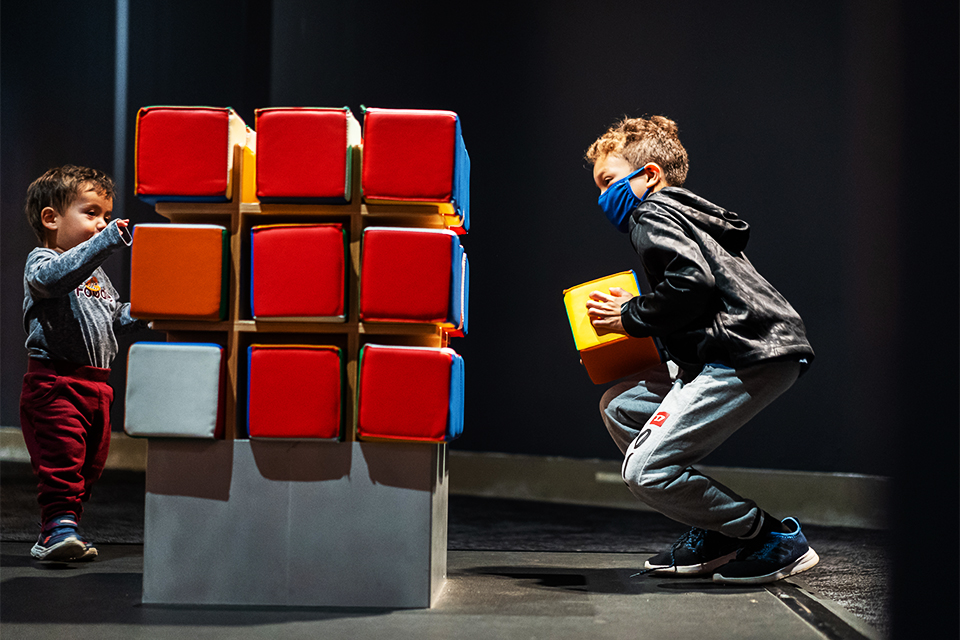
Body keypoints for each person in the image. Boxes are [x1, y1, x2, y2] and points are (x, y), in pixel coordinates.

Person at [583, 116, 819, 584]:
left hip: (744, 352)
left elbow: (691, 282)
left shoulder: (651, 213)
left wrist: (629, 316)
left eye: (608, 181)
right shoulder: (683, 213)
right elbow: (700, 292)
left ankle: (766, 536)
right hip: (748, 348)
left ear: (648, 175)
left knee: (644, 472)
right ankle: (716, 532)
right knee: (622, 408)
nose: (601, 197)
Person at [20, 165, 146, 562]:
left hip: (97, 386)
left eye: (106, 216)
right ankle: (56, 529)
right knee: (62, 460)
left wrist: (149, 309)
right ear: (51, 218)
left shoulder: (97, 276)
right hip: (55, 382)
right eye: (91, 213)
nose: (101, 223)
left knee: (88, 465)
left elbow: (113, 320)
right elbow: (53, 280)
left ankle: (65, 526)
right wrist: (106, 242)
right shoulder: (42, 260)